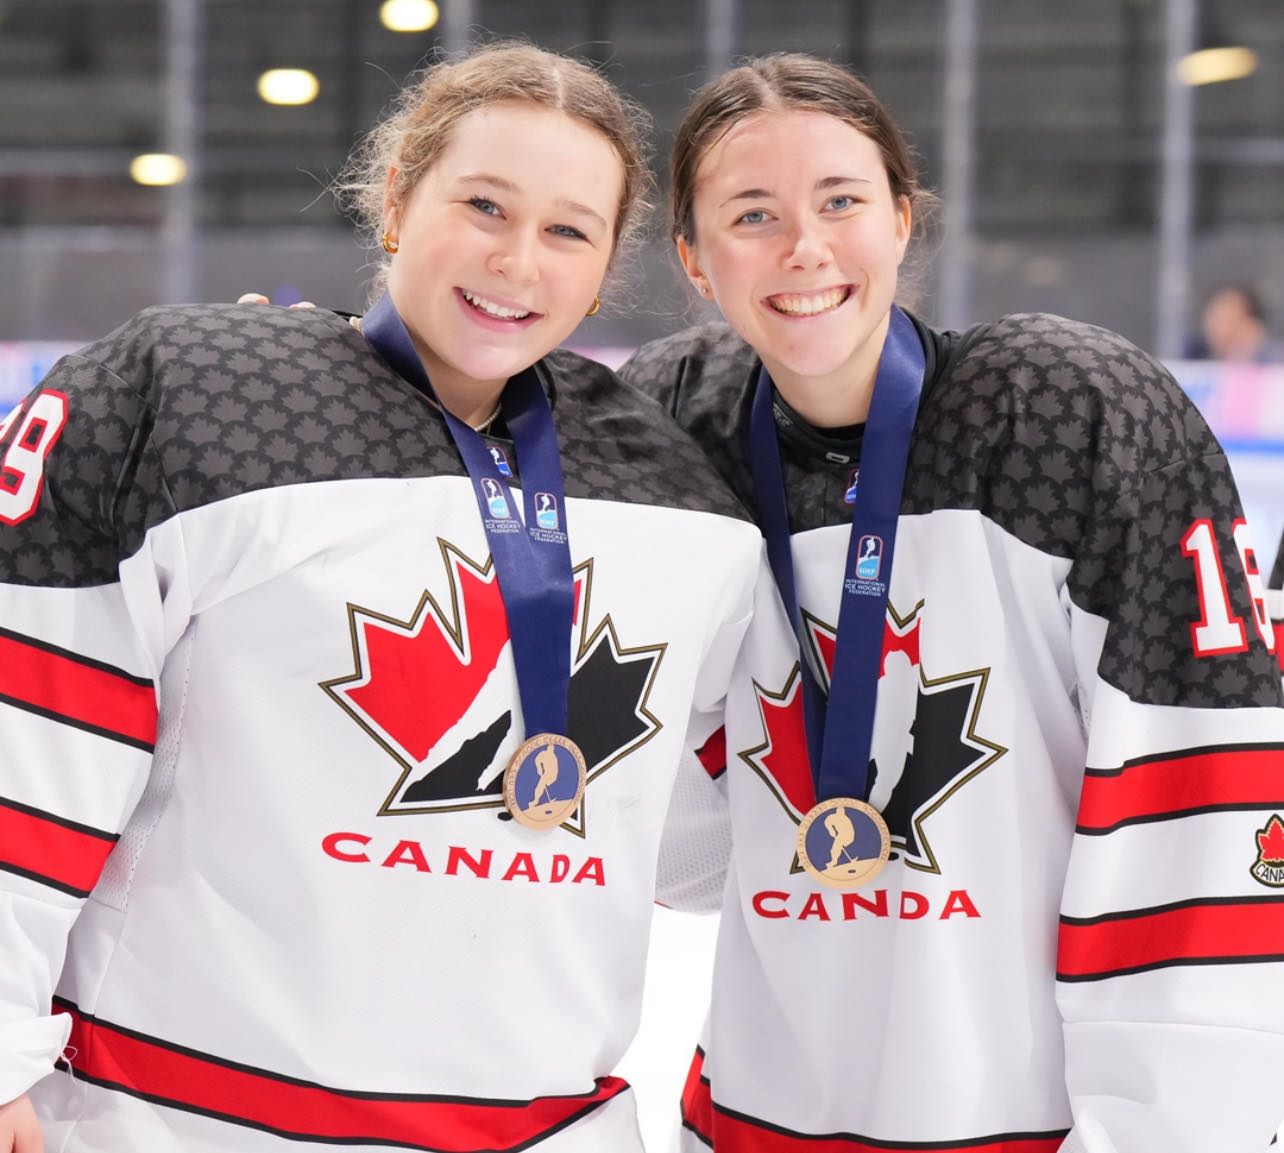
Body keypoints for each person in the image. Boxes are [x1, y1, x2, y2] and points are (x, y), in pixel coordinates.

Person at [0, 44, 763, 1153]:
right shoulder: (200, 402)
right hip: (180, 1123)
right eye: (484, 205)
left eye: (567, 230)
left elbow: (691, 838)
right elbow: (31, 737)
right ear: (399, 197)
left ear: (606, 266)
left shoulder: (679, 491)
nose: (516, 261)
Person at [616, 53, 1284, 1153]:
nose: (806, 249)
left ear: (901, 218)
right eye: (751, 214)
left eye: (841, 201)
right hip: (747, 1125)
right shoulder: (676, 428)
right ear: (692, 258)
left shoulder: (1065, 415)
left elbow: (1204, 798)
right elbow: (685, 860)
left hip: (1037, 1130)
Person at [1187, 283, 1284, 363]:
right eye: (1214, 315)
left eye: (1227, 317)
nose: (1215, 325)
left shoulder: (1274, 361)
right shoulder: (1194, 353)